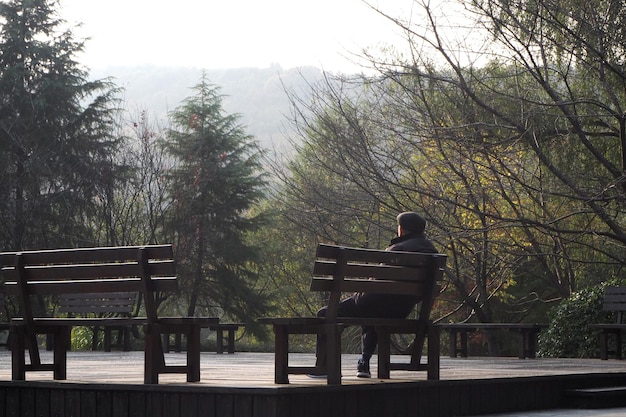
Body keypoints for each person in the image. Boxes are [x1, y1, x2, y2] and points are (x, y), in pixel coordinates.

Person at [311, 211, 438, 378]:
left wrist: (357, 297)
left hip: (376, 304)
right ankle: (363, 361)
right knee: (373, 312)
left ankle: (324, 367)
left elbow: (372, 287)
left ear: (402, 230)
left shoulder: (396, 250)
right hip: (401, 311)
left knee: (326, 313)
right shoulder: (433, 253)